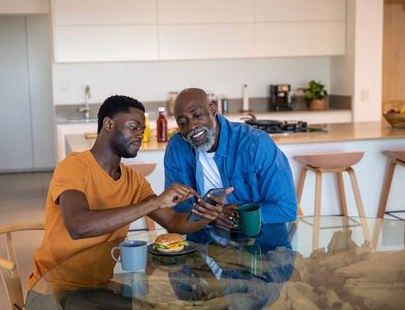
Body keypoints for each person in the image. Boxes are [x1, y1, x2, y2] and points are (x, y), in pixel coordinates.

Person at [27, 95, 225, 291]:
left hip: (98, 288)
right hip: (53, 288)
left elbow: (174, 222)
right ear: (108, 124)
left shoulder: (134, 181)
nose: (140, 134)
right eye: (133, 127)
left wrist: (210, 212)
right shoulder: (73, 166)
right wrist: (154, 203)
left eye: (143, 129)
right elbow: (78, 226)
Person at [164, 88, 297, 242]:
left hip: (262, 242)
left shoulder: (256, 144)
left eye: (197, 115)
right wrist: (210, 218)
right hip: (203, 244)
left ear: (213, 109)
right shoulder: (177, 147)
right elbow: (176, 211)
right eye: (183, 122)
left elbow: (285, 208)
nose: (192, 126)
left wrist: (234, 215)